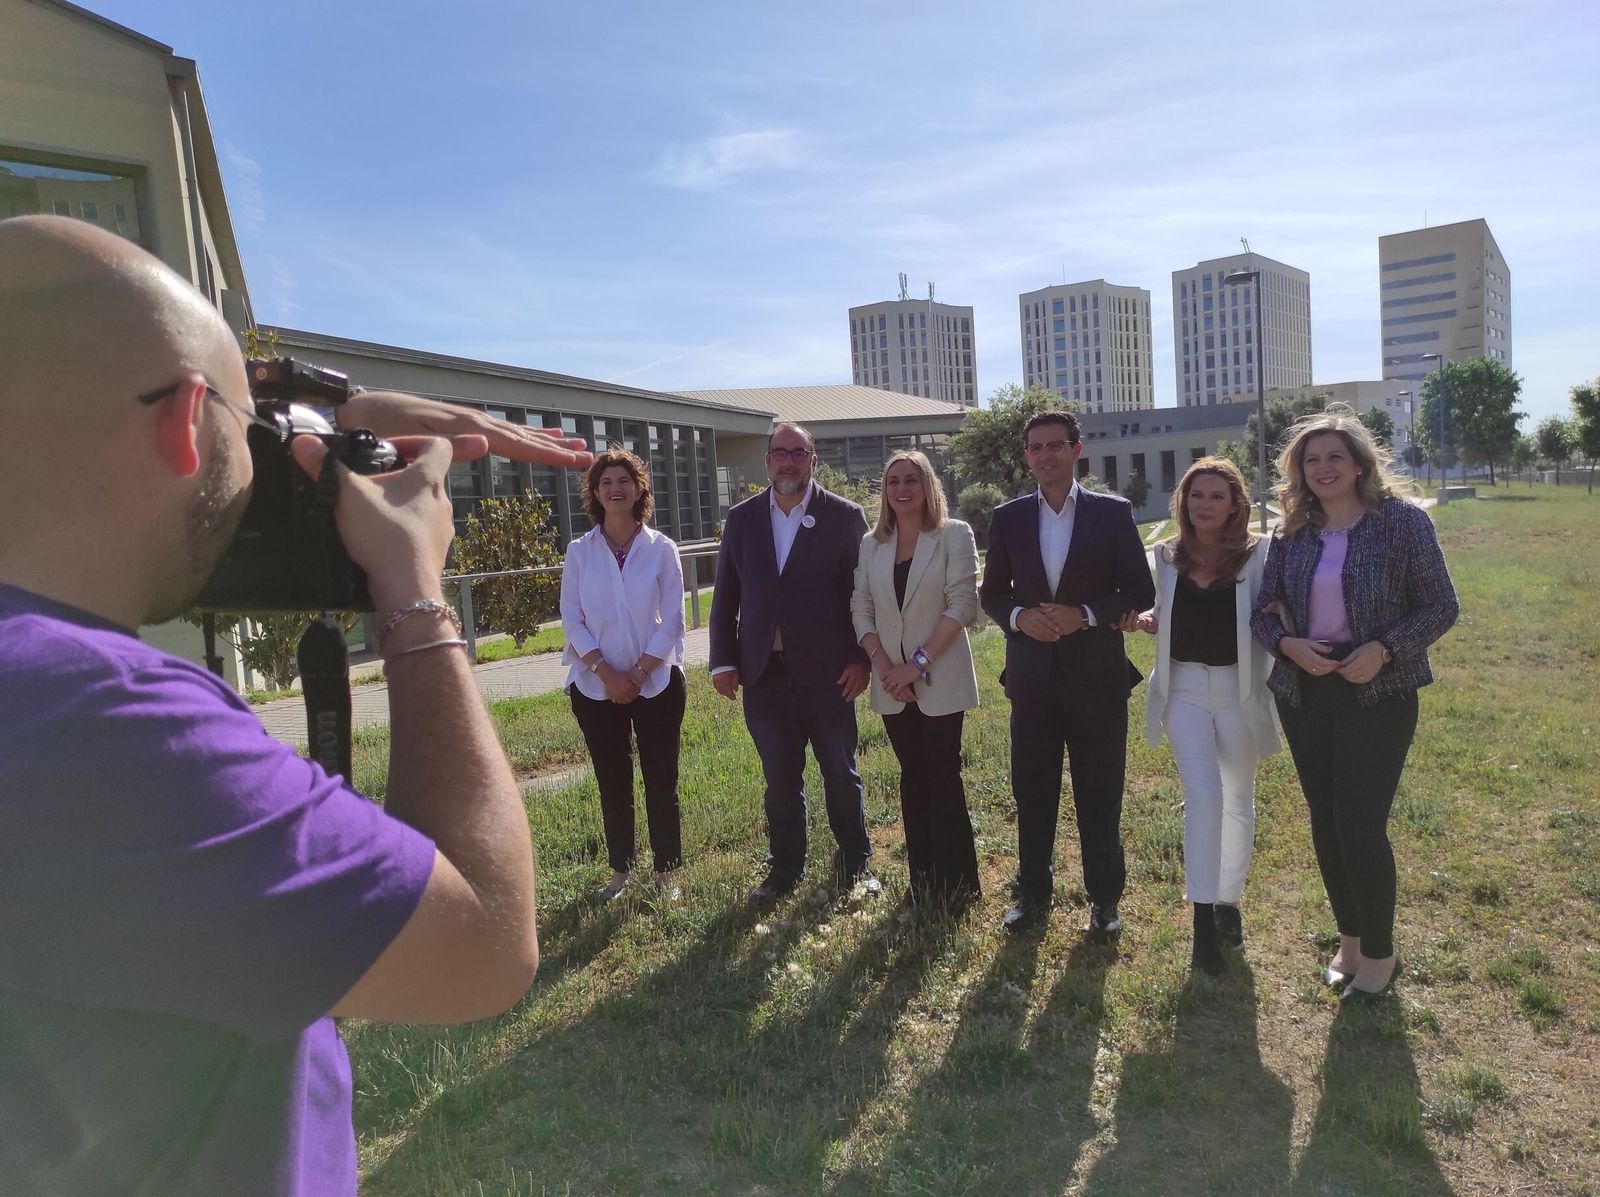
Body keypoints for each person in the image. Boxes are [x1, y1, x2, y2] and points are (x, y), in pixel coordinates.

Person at [0, 214, 591, 1196]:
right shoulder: (109, 724)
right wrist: (412, 591)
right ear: (185, 422)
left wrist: (313, 399)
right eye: (249, 432)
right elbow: (484, 945)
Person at [1251, 410, 1458, 1003]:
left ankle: (1380, 952)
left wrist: (1386, 649)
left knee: (1360, 823)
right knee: (1325, 820)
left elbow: (1441, 606)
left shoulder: (1401, 523)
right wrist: (1287, 645)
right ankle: (1349, 940)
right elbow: (1263, 613)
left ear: (1361, 463)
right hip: (1305, 690)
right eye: (1310, 460)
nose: (1323, 469)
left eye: (1334, 457)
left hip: (1378, 691)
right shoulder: (1292, 534)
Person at [979, 410, 1155, 935]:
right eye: (1035, 447)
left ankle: (1105, 903)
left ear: (1077, 450)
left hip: (1097, 679)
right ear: (1027, 455)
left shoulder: (1112, 513)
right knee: (1032, 792)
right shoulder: (1008, 518)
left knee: (1100, 793)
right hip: (1031, 681)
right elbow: (992, 596)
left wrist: (1085, 614)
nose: (1045, 455)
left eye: (1055, 445)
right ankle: (1032, 897)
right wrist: (1019, 617)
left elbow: (1139, 591)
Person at [710, 422, 879, 908]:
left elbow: (862, 596)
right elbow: (726, 597)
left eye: (797, 453)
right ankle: (784, 870)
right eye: (779, 453)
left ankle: (856, 861)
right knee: (780, 780)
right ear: (766, 461)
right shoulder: (742, 519)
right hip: (765, 673)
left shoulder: (845, 517)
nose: (787, 461)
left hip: (830, 674)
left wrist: (860, 658)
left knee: (841, 774)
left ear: (813, 460)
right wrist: (723, 660)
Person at [1129, 458, 1281, 974]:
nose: (1205, 505)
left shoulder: (1260, 555)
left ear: (1236, 503)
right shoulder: (1165, 556)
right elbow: (1154, 605)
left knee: (1238, 797)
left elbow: (1276, 609)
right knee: (1203, 796)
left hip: (1241, 691)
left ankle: (1226, 903)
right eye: (1197, 496)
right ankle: (1201, 926)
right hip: (1184, 688)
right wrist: (1149, 618)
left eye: (1217, 496)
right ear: (1183, 503)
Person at [851, 450, 982, 908]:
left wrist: (918, 663)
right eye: (893, 482)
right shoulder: (872, 544)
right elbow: (861, 606)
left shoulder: (952, 535)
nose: (902, 489)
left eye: (911, 480)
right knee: (912, 777)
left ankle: (959, 885)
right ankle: (922, 881)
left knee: (942, 776)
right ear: (885, 492)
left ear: (928, 485)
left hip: (939, 676)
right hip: (890, 681)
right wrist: (885, 667)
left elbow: (963, 603)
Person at [560, 449, 687, 902]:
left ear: (639, 491)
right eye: (606, 482)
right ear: (595, 493)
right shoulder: (579, 552)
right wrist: (607, 674)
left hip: (656, 683)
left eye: (624, 481)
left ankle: (667, 875)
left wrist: (635, 673)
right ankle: (620, 873)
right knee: (612, 781)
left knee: (660, 778)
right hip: (595, 687)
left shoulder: (661, 549)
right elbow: (572, 621)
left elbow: (673, 618)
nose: (616, 489)